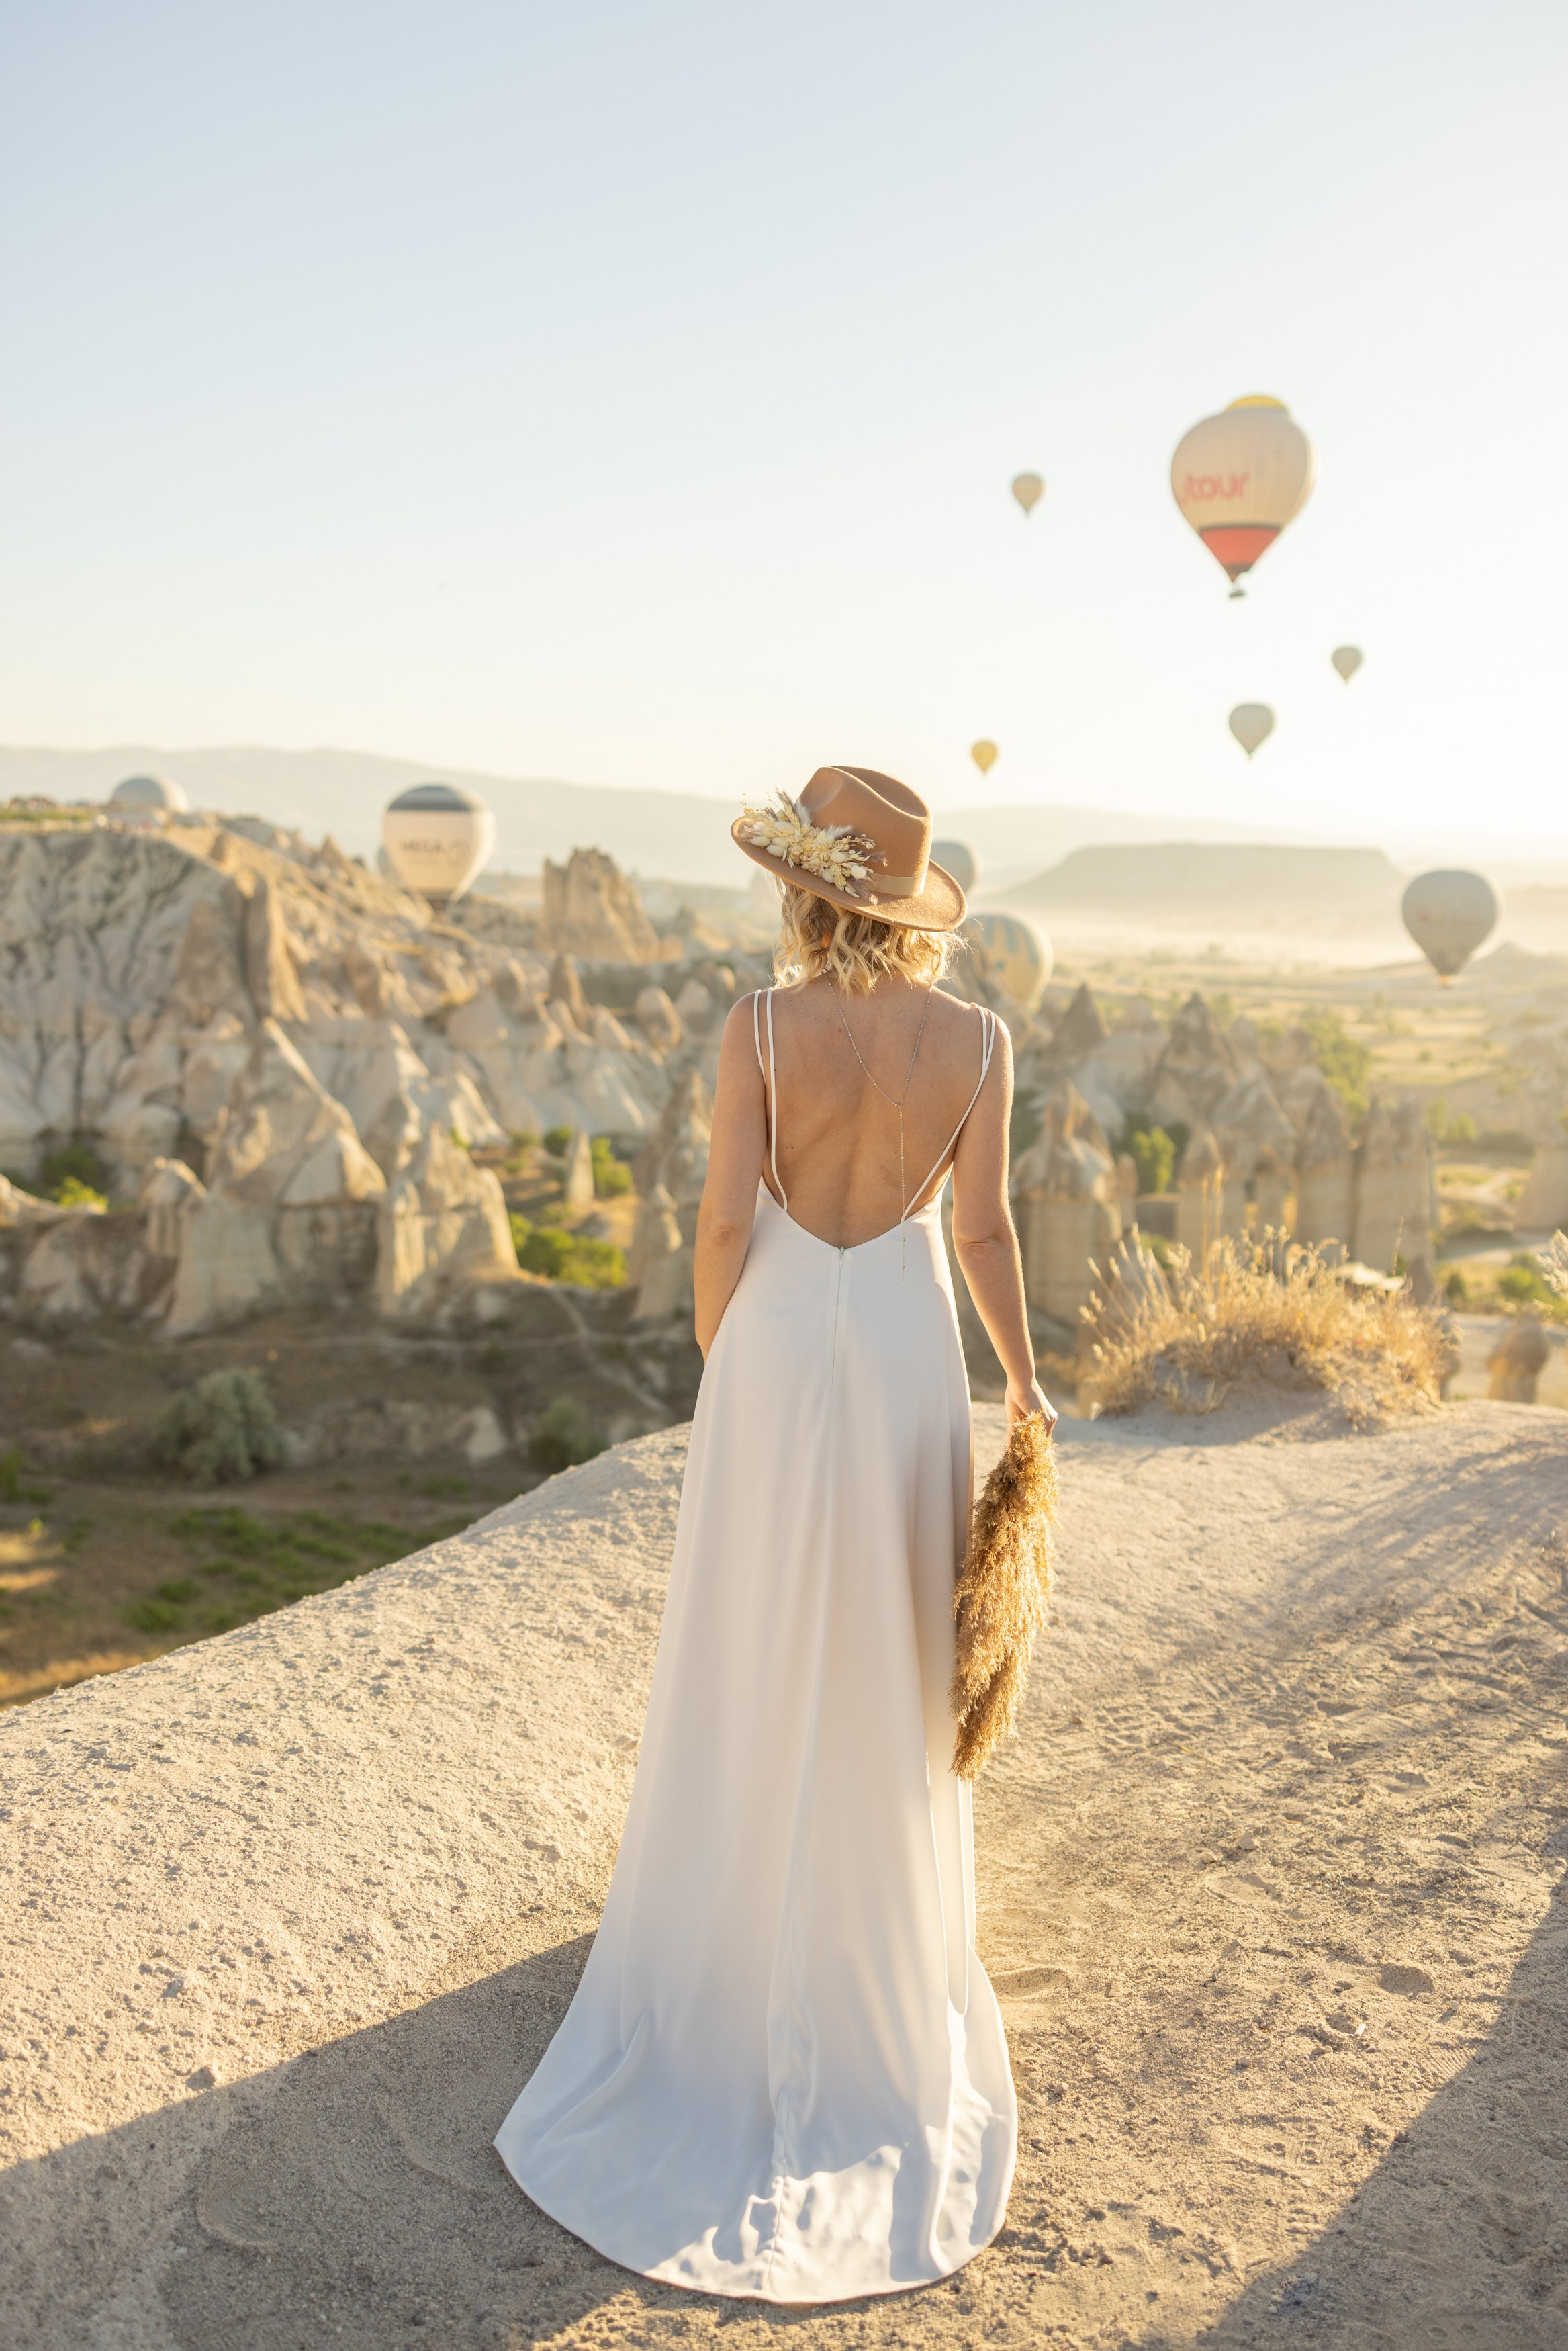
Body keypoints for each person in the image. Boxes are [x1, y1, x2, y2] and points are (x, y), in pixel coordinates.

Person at [494, 766, 1055, 2304]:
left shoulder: (754, 1025)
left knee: (749, 1632)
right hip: (903, 1349)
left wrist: (720, 1355)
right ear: (911, 909)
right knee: (889, 1639)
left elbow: (723, 1216)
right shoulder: (981, 1040)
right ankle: (870, 1963)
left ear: (807, 893)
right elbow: (990, 1228)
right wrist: (1024, 1377)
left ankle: (726, 1939)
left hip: (780, 1334)